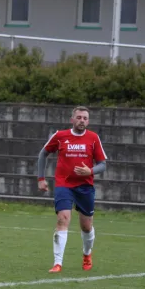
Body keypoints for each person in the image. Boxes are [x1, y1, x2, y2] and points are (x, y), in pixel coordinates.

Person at [37, 106, 107, 273]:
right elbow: (43, 154)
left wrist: (89, 171)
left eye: (84, 118)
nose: (81, 120)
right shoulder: (60, 136)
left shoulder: (93, 138)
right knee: (63, 219)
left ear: (88, 121)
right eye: (79, 117)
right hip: (64, 184)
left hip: (85, 187)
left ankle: (87, 254)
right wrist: (41, 179)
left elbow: (103, 165)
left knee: (86, 226)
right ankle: (57, 263)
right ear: (72, 119)